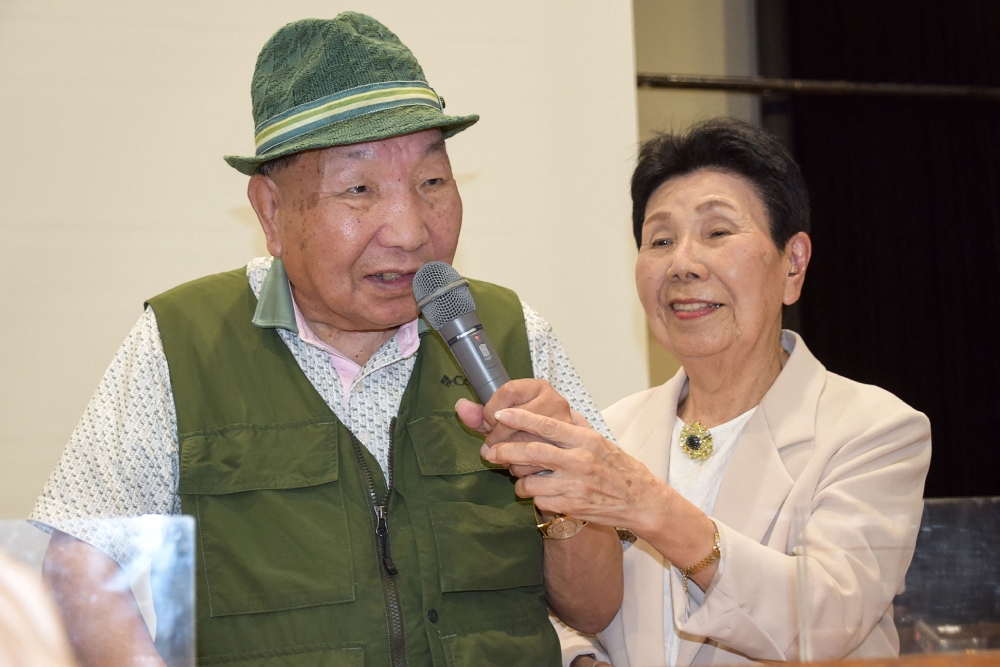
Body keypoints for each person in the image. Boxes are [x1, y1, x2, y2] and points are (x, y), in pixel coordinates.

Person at [29, 12, 622, 667]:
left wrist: (563, 496)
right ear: (272, 213)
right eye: (359, 189)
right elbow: (79, 555)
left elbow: (594, 607)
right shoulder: (181, 343)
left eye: (431, 182)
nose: (409, 228)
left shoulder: (512, 333)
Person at [472, 118, 932, 666]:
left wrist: (650, 506)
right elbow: (561, 606)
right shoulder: (613, 430)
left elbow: (826, 620)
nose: (682, 264)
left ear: (793, 263)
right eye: (660, 240)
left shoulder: (873, 429)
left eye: (717, 233)